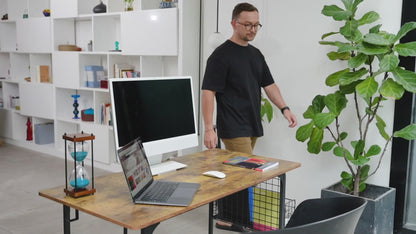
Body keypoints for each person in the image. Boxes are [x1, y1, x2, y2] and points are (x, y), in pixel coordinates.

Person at [201, 2, 297, 232]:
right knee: (245, 176)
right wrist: (208, 128)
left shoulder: (255, 54)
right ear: (234, 24)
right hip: (233, 125)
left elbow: (269, 84)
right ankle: (240, 222)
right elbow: (208, 92)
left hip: (252, 123)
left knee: (236, 173)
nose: (252, 29)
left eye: (256, 25)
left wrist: (285, 108)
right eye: (247, 25)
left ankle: (227, 217)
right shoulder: (220, 56)